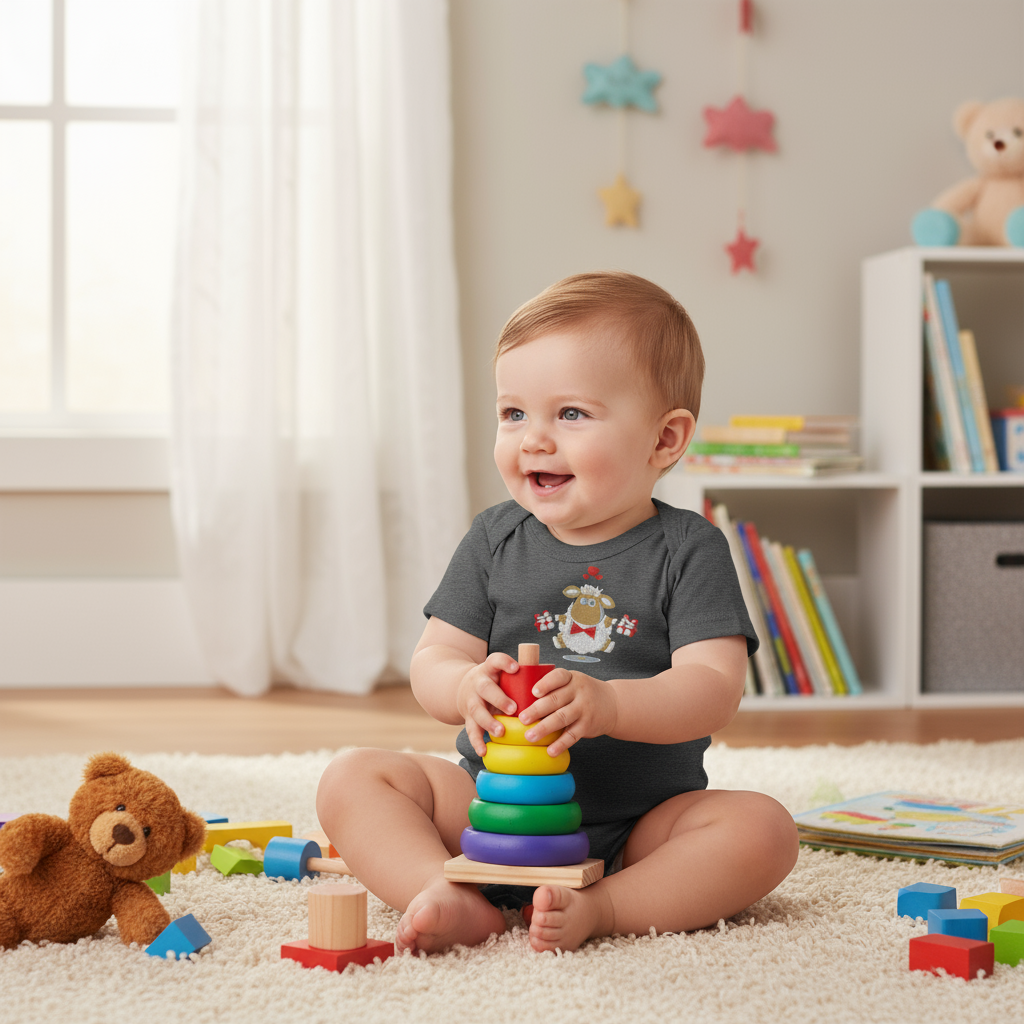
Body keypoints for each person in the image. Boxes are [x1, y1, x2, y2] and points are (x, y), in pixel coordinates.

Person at [316, 271, 798, 955]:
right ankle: (445, 889)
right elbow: (434, 659)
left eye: (570, 414)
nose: (534, 439)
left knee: (764, 829)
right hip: (489, 814)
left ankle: (603, 909)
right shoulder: (494, 538)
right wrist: (463, 686)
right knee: (352, 778)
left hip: (637, 830)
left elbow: (712, 689)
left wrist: (611, 706)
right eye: (513, 414)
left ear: (665, 440)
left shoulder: (690, 548)